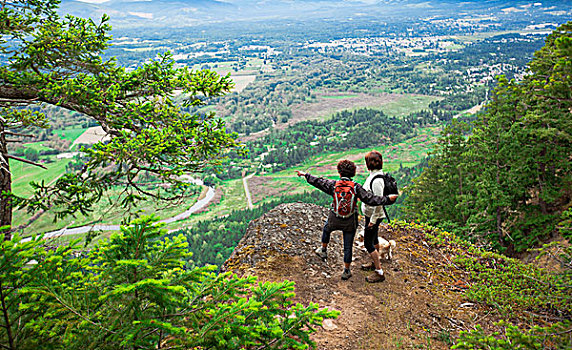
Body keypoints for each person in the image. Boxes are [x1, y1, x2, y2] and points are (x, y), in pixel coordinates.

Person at [296, 159, 398, 281]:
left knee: (327, 229)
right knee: (347, 246)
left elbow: (319, 182)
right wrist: (387, 199)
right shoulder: (356, 187)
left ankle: (323, 249)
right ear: (353, 173)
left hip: (335, 217)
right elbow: (371, 199)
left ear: (339, 172)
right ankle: (346, 270)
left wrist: (305, 175)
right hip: (350, 220)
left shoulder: (334, 185)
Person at [360, 150, 391, 283]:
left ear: (369, 164)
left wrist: (372, 221)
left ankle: (379, 272)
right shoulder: (375, 175)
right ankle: (374, 262)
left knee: (368, 243)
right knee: (373, 239)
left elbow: (379, 202)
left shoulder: (377, 180)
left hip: (374, 216)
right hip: (371, 214)